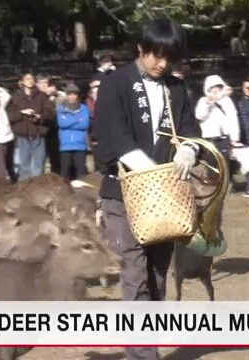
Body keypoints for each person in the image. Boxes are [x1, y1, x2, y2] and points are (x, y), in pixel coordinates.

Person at [93, 18, 201, 360]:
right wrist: (148, 170)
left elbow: (190, 129)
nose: (162, 64)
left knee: (156, 275)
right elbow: (112, 134)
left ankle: (143, 346)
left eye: (169, 57)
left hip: (165, 202)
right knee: (134, 273)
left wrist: (190, 148)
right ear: (141, 48)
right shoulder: (115, 84)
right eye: (156, 55)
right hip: (123, 195)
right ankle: (143, 354)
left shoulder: (177, 89)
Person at [194, 74, 240, 190]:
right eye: (212, 87)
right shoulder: (203, 101)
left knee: (224, 162)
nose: (215, 90)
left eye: (218, 87)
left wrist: (234, 137)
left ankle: (226, 184)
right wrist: (209, 103)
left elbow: (233, 118)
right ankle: (213, 184)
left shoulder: (227, 101)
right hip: (209, 137)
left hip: (223, 137)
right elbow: (200, 116)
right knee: (210, 162)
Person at [8, 71, 54, 180]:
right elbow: (9, 115)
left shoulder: (41, 96)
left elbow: (49, 113)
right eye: (27, 79)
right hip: (23, 135)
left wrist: (40, 117)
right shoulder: (16, 97)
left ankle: (38, 188)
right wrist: (22, 113)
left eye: (32, 79)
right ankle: (24, 188)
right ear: (22, 81)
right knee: (24, 164)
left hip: (37, 133)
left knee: (38, 164)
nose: (30, 81)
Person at [57, 84, 90, 180]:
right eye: (70, 94)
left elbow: (84, 124)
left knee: (81, 173)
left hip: (80, 145)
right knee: (64, 173)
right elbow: (62, 123)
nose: (72, 96)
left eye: (74, 94)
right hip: (65, 146)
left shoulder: (83, 108)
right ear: (66, 95)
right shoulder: (61, 109)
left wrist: (69, 120)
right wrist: (76, 119)